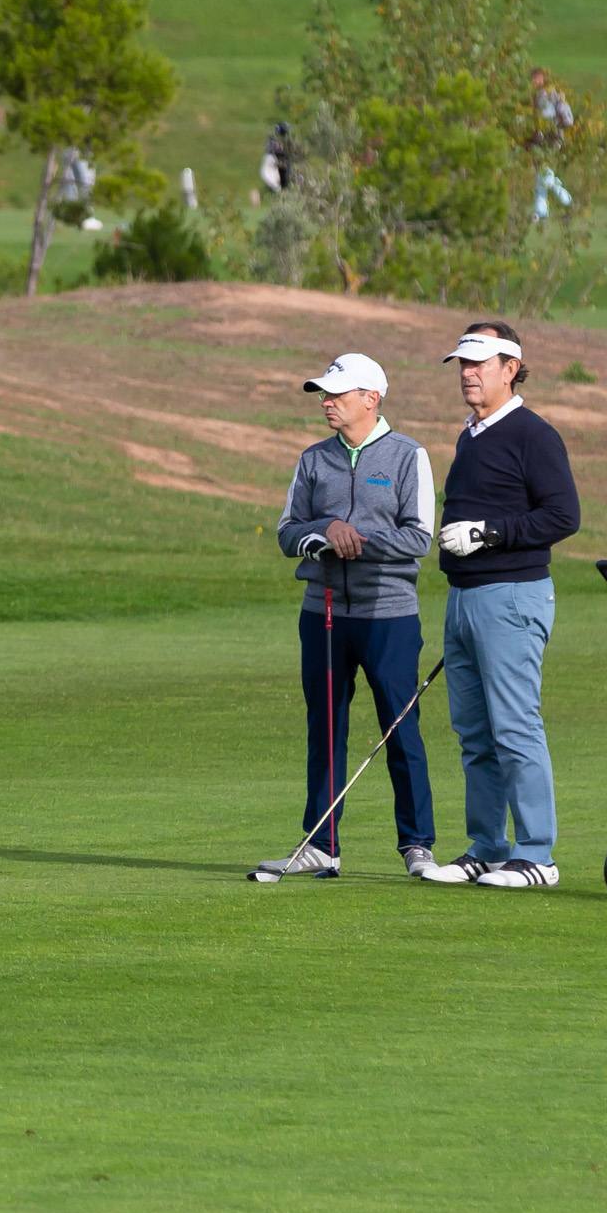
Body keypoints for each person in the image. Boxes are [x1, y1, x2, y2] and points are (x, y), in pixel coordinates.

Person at [255, 353, 439, 881]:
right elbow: (289, 531)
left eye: (337, 393)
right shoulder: (313, 459)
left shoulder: (408, 456)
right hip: (324, 613)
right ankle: (321, 843)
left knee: (400, 730)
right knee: (326, 727)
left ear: (371, 398)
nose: (326, 402)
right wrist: (324, 531)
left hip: (390, 615)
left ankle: (417, 846)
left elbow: (417, 537)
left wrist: (355, 540)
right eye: (323, 393)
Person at [431, 324, 581, 889]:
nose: (468, 373)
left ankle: (537, 855)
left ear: (511, 368)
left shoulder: (532, 435)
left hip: (511, 597)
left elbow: (563, 516)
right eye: (462, 364)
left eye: (479, 363)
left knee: (515, 727)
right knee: (474, 731)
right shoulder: (470, 435)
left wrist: (487, 534)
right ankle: (488, 847)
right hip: (465, 600)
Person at [526, 68, 576, 221]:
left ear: (543, 79)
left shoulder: (552, 95)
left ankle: (567, 202)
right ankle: (541, 212)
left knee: (545, 176)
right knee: (540, 178)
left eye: (537, 79)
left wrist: (555, 127)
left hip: (552, 140)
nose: (535, 82)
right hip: (539, 142)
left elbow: (567, 118)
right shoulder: (533, 98)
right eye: (533, 79)